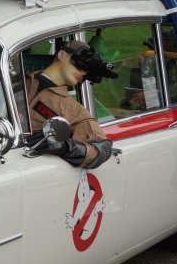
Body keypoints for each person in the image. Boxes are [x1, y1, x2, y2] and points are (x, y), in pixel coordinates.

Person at [26, 40, 116, 169]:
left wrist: (63, 146)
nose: (83, 72)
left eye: (87, 71)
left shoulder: (72, 109)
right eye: (80, 64)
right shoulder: (15, 83)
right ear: (62, 55)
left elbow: (101, 149)